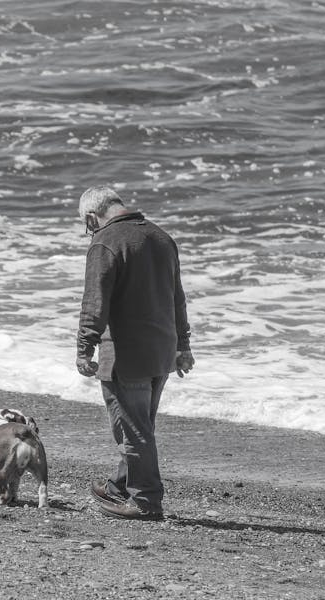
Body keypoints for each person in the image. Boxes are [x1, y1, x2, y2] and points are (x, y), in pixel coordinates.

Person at [75, 185, 194, 521]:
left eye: (86, 226)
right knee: (141, 425)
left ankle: (145, 501)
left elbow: (94, 303)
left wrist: (85, 348)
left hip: (126, 354)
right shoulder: (160, 237)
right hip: (162, 352)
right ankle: (120, 485)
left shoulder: (106, 242)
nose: (88, 231)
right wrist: (183, 346)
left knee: (132, 430)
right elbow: (178, 298)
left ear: (91, 216)